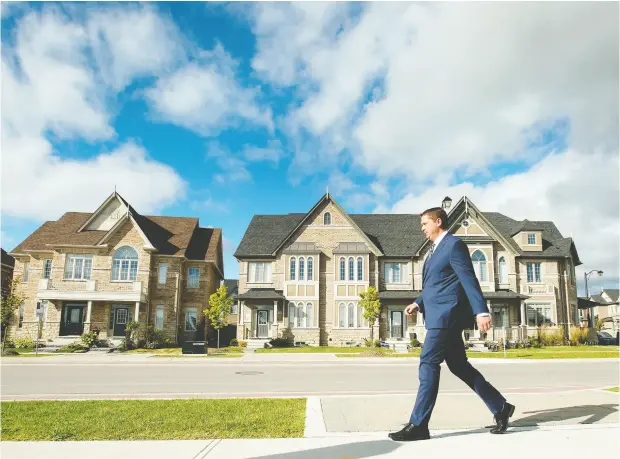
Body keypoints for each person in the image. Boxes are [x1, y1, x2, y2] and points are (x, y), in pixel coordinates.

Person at [388, 207, 515, 442]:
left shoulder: (454, 245)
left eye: (425, 224)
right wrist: (417, 302)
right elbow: (435, 285)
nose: (422, 229)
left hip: (446, 316)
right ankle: (501, 407)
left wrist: (481, 311)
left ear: (438, 222)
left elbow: (469, 279)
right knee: (459, 366)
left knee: (428, 362)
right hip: (437, 314)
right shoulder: (434, 251)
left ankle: (419, 424)